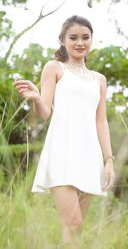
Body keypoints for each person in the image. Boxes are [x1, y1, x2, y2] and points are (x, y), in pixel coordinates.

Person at [12, 15, 116, 249]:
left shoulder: (99, 79)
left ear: (91, 40)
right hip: (62, 151)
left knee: (75, 232)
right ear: (62, 40)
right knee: (73, 223)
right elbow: (45, 112)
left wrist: (108, 160)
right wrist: (37, 97)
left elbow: (101, 122)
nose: (80, 42)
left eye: (85, 37)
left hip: (90, 157)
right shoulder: (54, 68)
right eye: (73, 37)